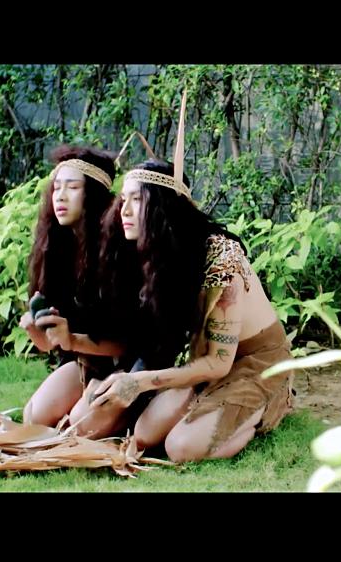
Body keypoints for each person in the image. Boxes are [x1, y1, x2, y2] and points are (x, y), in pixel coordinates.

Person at [92, 144, 295, 461]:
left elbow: (219, 363)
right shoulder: (159, 253)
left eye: (137, 200)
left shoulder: (222, 261)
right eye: (123, 199)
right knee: (144, 434)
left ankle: (267, 405)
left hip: (256, 363)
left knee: (180, 447)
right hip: (207, 361)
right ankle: (209, 404)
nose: (124, 211)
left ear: (163, 206)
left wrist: (138, 381)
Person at [19, 144, 139, 437]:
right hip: (84, 361)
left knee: (81, 426)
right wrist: (36, 330)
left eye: (72, 187)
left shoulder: (120, 250)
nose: (60, 196)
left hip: (129, 367)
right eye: (56, 187)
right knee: (33, 417)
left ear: (93, 194)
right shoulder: (56, 248)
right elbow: (51, 345)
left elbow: (130, 343)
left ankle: (132, 412)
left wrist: (72, 339)